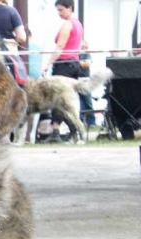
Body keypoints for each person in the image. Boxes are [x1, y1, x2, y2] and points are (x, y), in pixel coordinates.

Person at [41, 0, 83, 143]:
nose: (59, 13)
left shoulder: (67, 24)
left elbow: (60, 46)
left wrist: (47, 63)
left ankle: (56, 131)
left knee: (58, 100)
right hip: (74, 64)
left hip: (64, 64)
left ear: (69, 8)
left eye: (61, 10)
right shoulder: (78, 24)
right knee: (68, 101)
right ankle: (73, 132)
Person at [78, 40, 95, 127]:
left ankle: (91, 122)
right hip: (77, 80)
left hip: (85, 80)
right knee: (79, 102)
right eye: (82, 47)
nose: (84, 49)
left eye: (85, 47)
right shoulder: (76, 53)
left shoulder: (87, 54)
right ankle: (80, 122)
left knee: (88, 101)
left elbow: (86, 64)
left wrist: (78, 63)